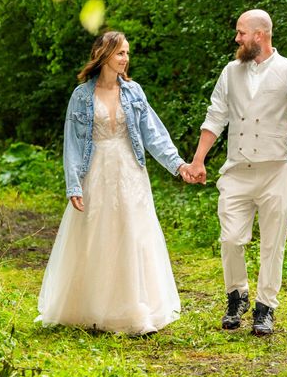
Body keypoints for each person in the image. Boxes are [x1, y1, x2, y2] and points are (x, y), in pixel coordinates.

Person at [35, 31, 192, 335]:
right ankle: (93, 307)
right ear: (104, 54)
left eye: (127, 53)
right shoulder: (81, 96)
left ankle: (135, 310)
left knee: (133, 233)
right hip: (96, 172)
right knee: (98, 235)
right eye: (120, 53)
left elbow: (154, 134)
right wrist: (74, 185)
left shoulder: (134, 92)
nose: (125, 59)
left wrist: (178, 164)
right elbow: (72, 144)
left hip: (131, 171)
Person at [186, 9, 287, 336]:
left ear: (259, 35)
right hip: (237, 171)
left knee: (273, 243)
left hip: (276, 171)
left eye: (241, 32)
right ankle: (237, 295)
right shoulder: (230, 73)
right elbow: (215, 117)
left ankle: (265, 307)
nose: (237, 38)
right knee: (231, 238)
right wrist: (198, 160)